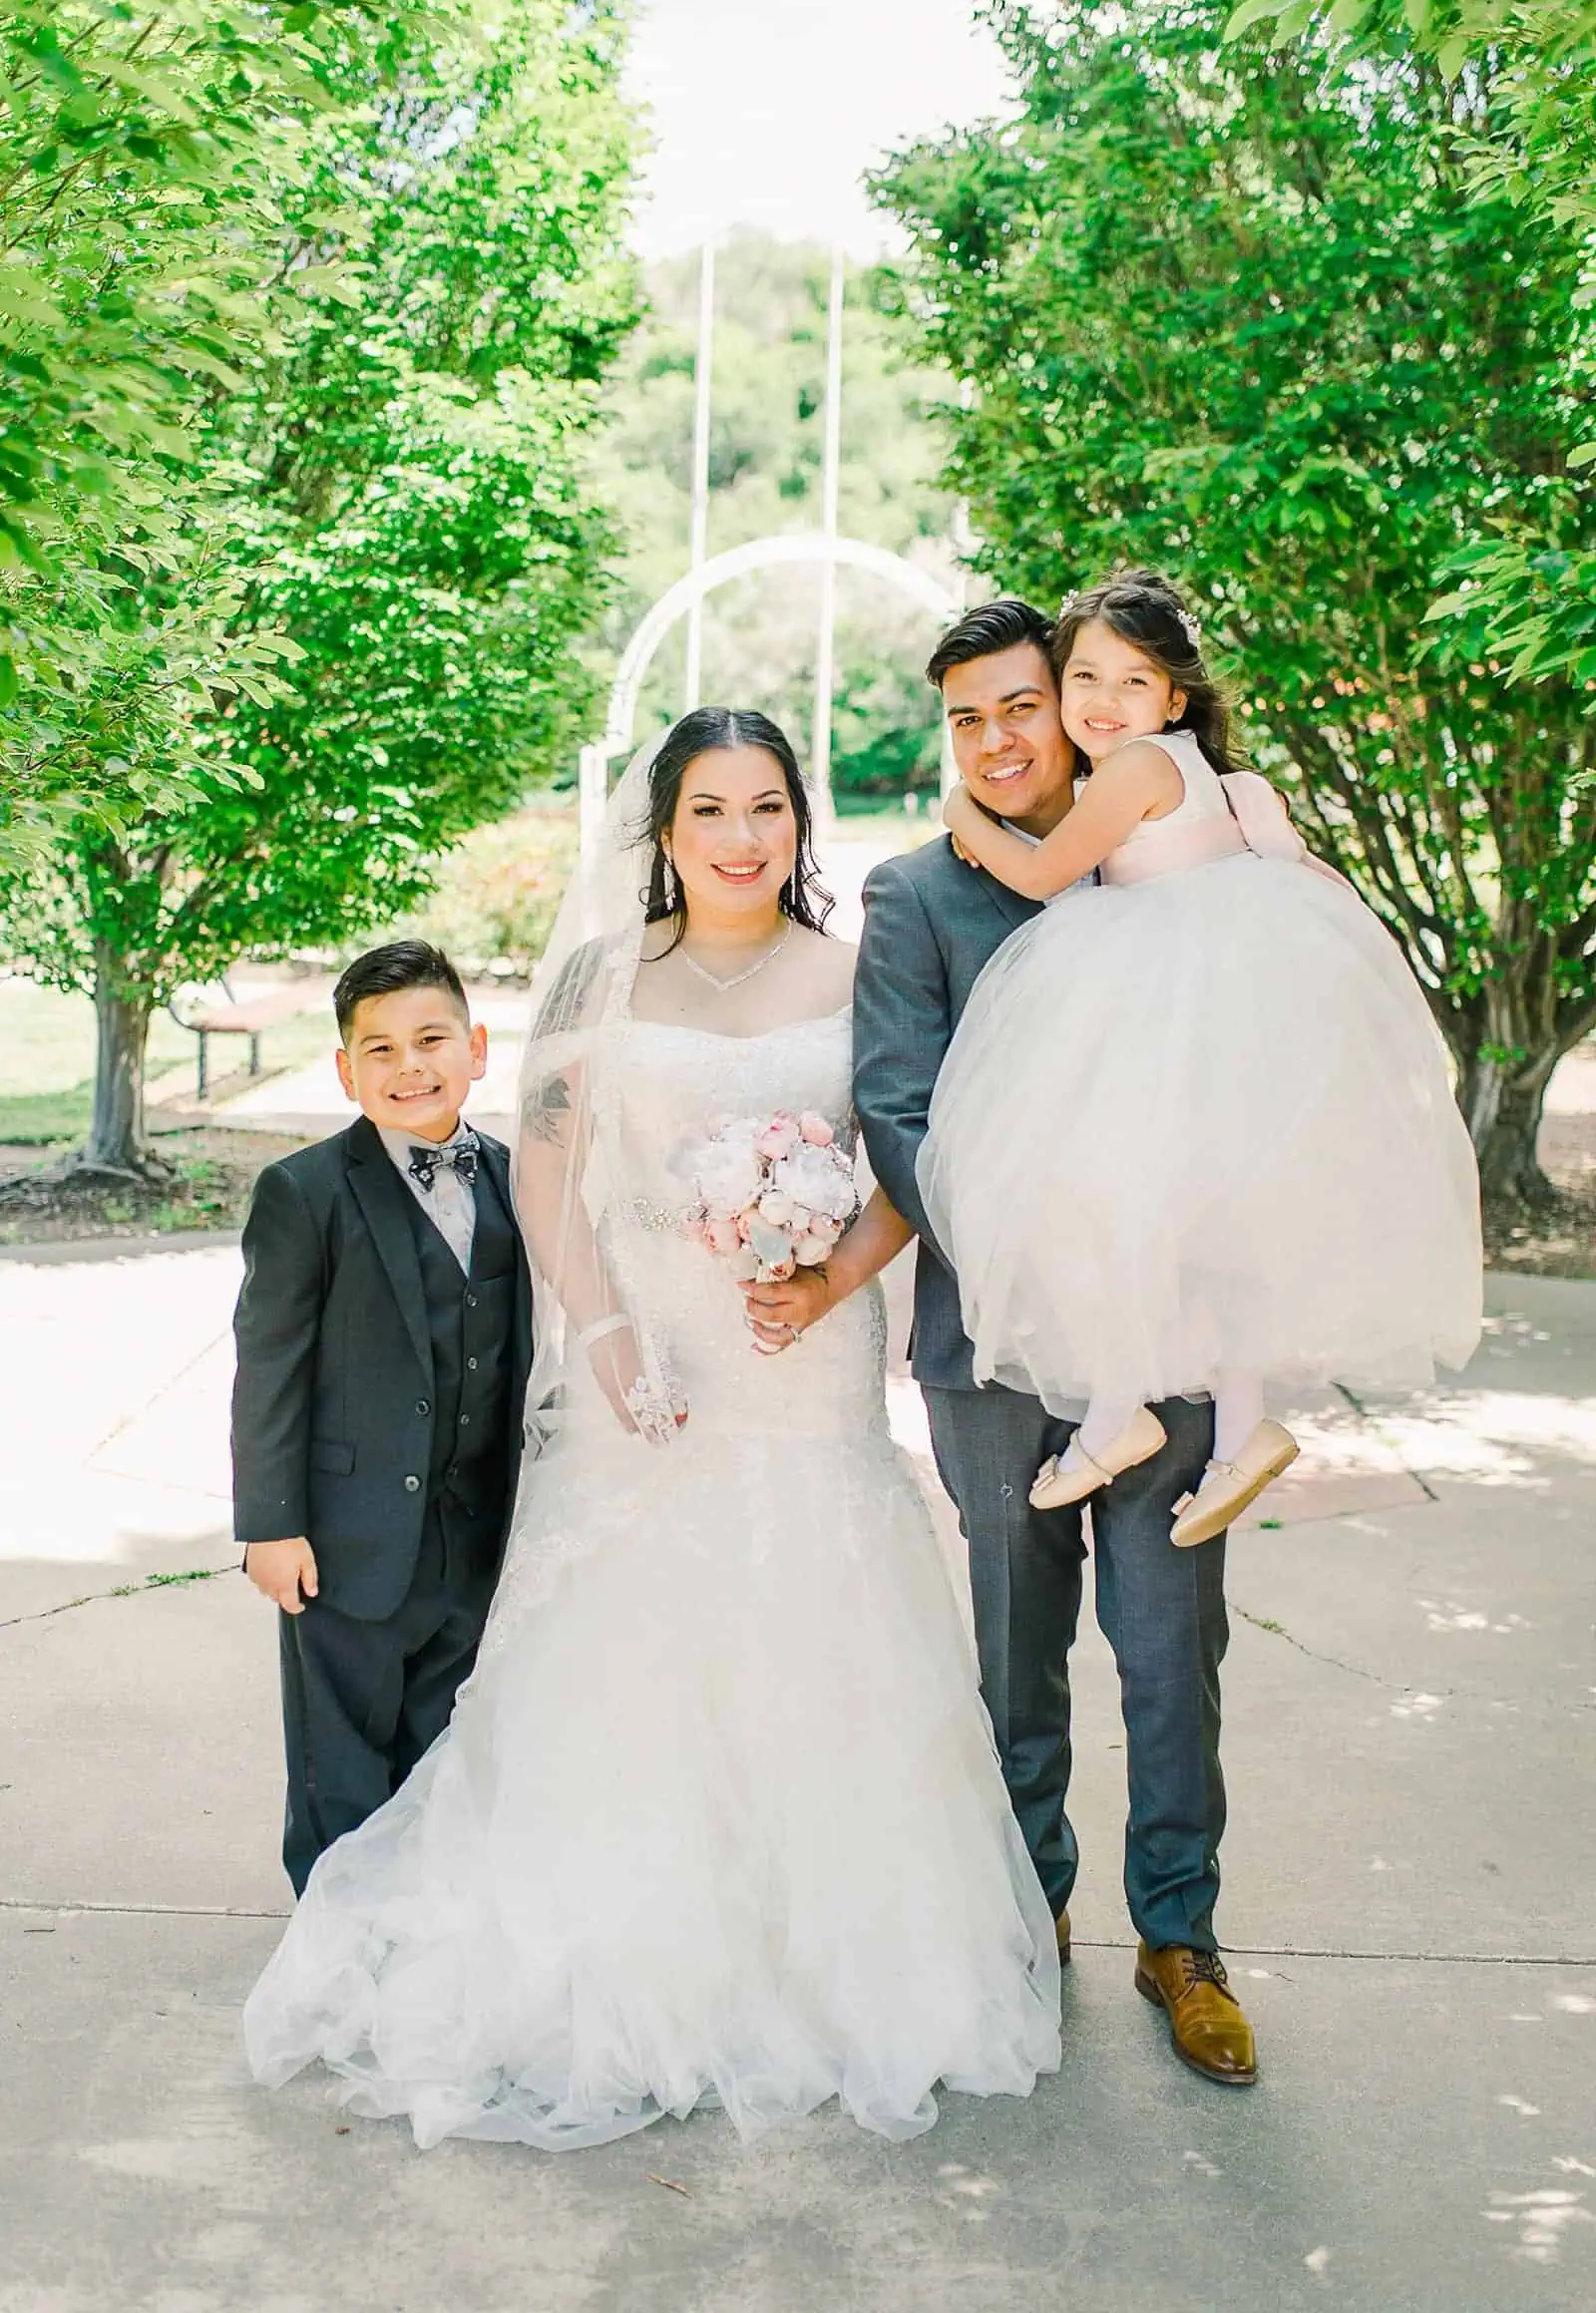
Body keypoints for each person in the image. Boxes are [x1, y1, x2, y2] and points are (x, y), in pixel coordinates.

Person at [241, 709, 1060, 2150]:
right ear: (663, 832)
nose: (742, 840)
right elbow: (549, 1172)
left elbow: (908, 1155)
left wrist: (827, 1281)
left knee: (821, 1640)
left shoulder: (858, 970)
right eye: (709, 813)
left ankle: (828, 1963)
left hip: (805, 1369)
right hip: (655, 1375)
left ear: (800, 821)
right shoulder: (594, 977)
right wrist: (609, 1339)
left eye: (767, 809)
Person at [815, 594, 1258, 2086]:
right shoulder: (916, 898)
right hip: (997, 1349)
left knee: (1169, 1647)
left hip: (1162, 1334)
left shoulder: (1158, 861)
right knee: (1020, 1649)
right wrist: (1030, 1257)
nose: (999, 738)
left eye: (1022, 704)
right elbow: (898, 1112)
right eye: (968, 718)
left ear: (1072, 707)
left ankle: (1181, 1938)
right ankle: (1025, 1919)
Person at [919, 570, 1482, 1549]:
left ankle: (1119, 1415)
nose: (1100, 702)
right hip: (1204, 1002)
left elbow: (1048, 872)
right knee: (1198, 1233)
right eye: (1082, 677)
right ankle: (1233, 1426)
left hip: (1165, 998)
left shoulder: (1138, 770)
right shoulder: (1178, 770)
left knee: (1107, 1203)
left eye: (1131, 683)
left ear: (1173, 698)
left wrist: (963, 816)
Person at [231, 940, 533, 1898]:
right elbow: (269, 1366)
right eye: (382, 1050)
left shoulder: (520, 1180)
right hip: (344, 1538)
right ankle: (335, 1950)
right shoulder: (305, 1193)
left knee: (443, 1752)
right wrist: (269, 1524)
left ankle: (420, 1948)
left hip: (474, 1534)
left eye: (432, 1040)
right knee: (341, 1762)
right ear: (344, 1069)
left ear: (477, 1048)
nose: (411, 1068)